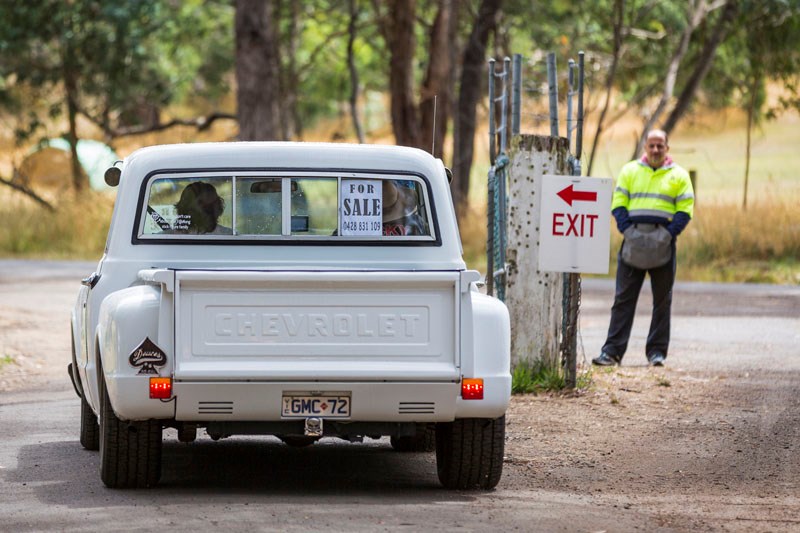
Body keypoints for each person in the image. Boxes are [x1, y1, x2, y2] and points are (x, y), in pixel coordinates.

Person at [593, 130, 695, 367]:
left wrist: (668, 235)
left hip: (664, 246)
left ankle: (656, 353)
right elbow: (618, 204)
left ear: (667, 148)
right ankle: (612, 352)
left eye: (660, 146)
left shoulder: (679, 175)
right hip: (632, 244)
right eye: (652, 145)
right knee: (623, 300)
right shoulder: (629, 171)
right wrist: (629, 232)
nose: (656, 150)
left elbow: (685, 209)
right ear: (645, 147)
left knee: (662, 301)